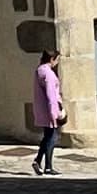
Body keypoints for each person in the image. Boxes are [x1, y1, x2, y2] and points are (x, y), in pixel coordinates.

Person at [31, 47, 65, 177]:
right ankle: (48, 167)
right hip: (49, 110)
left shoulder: (39, 70)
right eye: (57, 60)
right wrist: (54, 113)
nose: (57, 62)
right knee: (52, 138)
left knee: (47, 137)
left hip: (42, 109)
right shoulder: (48, 74)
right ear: (51, 59)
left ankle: (38, 160)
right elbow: (51, 95)